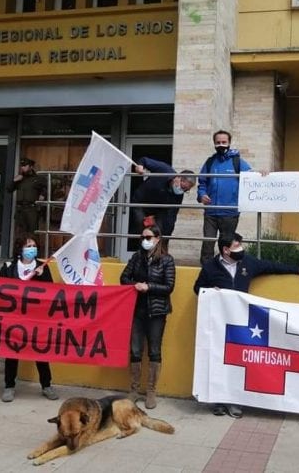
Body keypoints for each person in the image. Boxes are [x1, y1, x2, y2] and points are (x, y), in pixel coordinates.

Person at [193, 232, 299, 418]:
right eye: (236, 246)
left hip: (242, 324)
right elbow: (197, 288)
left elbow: (271, 266)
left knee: (238, 362)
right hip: (219, 324)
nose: (241, 249)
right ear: (225, 250)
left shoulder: (247, 263)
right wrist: (211, 291)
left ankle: (235, 402)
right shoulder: (210, 267)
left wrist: (298, 270)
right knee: (219, 359)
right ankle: (218, 401)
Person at [120, 224, 175, 409]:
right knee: (135, 350)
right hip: (137, 310)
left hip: (157, 312)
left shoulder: (167, 260)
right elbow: (123, 278)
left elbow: (169, 286)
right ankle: (134, 390)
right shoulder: (137, 257)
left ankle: (151, 391)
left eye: (149, 237)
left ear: (158, 239)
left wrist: (149, 287)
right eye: (143, 237)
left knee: (154, 351)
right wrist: (135, 284)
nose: (145, 240)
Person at [0, 234, 58, 402]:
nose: (32, 249)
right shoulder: (8, 267)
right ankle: (9, 386)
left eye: (34, 246)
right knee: (12, 352)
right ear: (20, 249)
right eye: (28, 246)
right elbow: (0, 290)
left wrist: (42, 276)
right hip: (14, 317)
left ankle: (46, 385)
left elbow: (51, 292)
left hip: (36, 317)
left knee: (40, 351)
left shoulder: (42, 267)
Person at [197, 130, 252, 264]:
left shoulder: (237, 161)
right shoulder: (210, 162)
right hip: (211, 212)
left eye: (224, 142)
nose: (221, 145)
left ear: (229, 143)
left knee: (226, 244)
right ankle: (206, 269)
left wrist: (262, 174)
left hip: (230, 213)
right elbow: (202, 183)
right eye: (218, 142)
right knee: (208, 243)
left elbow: (251, 178)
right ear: (214, 143)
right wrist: (202, 195)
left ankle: (227, 268)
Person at [130, 157, 195, 238]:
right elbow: (144, 160)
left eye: (186, 190)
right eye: (183, 187)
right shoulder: (164, 170)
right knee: (143, 230)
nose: (182, 191)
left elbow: (171, 218)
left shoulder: (178, 195)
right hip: (141, 203)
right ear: (178, 177)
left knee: (159, 232)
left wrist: (166, 238)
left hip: (159, 210)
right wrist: (139, 166)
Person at [6, 157, 47, 239]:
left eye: (25, 165)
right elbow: (9, 189)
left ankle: (32, 247)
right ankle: (21, 247)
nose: (23, 167)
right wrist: (14, 181)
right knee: (20, 233)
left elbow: (47, 188)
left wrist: (43, 195)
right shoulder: (20, 178)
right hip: (20, 209)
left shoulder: (38, 179)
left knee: (33, 232)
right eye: (22, 165)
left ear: (31, 167)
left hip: (31, 209)